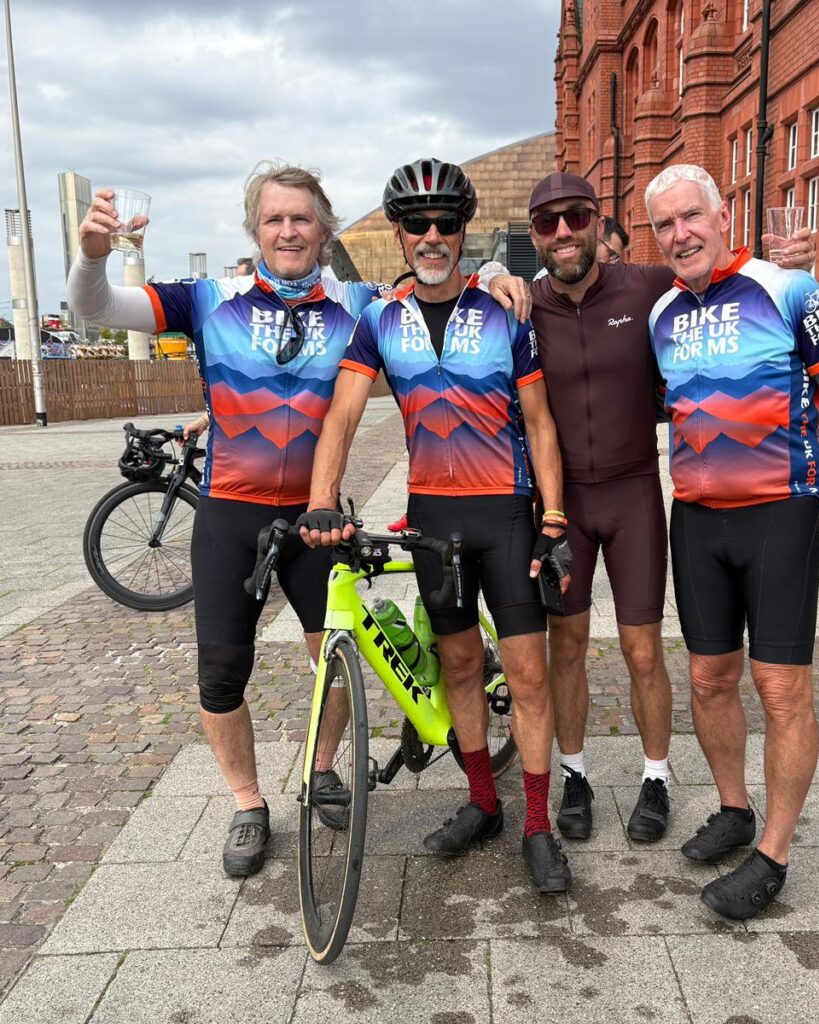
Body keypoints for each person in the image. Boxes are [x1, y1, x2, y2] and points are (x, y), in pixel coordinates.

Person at [67, 163, 528, 879]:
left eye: (303, 219)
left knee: (335, 654)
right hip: (229, 513)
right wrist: (93, 253)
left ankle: (321, 771)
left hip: (315, 519)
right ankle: (248, 803)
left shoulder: (355, 298)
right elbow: (97, 307)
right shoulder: (209, 298)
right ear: (256, 228)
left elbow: (437, 270)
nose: (289, 230)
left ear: (324, 230)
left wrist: (498, 268)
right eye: (275, 218)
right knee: (222, 671)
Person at [300, 158, 574, 894]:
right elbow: (345, 414)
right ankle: (483, 801)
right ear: (397, 233)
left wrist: (553, 518)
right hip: (434, 519)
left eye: (445, 223)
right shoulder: (378, 323)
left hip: (505, 514)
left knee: (528, 675)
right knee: (457, 664)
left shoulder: (503, 316)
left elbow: (541, 423)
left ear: (463, 232)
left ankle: (539, 824)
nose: (431, 235)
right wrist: (322, 497)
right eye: (416, 224)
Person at [525, 172, 816, 845]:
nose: (563, 232)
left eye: (575, 217)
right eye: (547, 222)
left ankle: (655, 776)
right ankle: (575, 774)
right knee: (565, 644)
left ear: (600, 224)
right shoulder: (524, 302)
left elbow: (735, 287)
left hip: (633, 494)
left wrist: (794, 268)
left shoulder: (651, 288)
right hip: (563, 501)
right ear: (536, 235)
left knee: (644, 650)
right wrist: (487, 277)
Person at [646, 163, 819, 919]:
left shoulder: (786, 290)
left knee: (781, 689)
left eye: (691, 216)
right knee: (710, 677)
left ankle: (773, 854)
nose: (680, 233)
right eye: (664, 225)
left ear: (721, 215)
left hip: (778, 512)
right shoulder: (662, 316)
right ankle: (733, 808)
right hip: (697, 518)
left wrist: (814, 481)